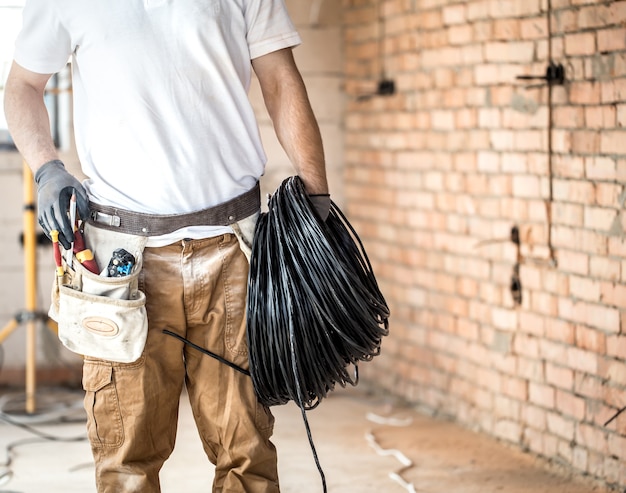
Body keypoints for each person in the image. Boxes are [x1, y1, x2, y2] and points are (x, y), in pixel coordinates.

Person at [4, 1, 329, 492]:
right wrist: (47, 166)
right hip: (122, 267)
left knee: (247, 452)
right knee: (126, 460)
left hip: (233, 251)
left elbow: (281, 80)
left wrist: (318, 196)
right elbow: (23, 86)